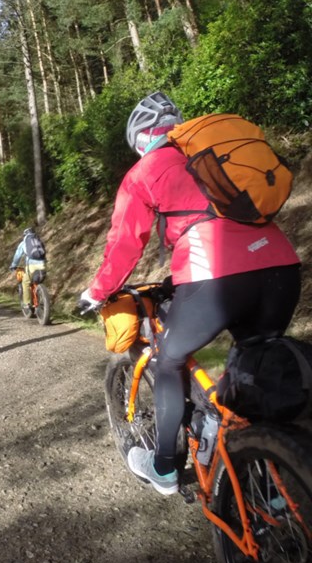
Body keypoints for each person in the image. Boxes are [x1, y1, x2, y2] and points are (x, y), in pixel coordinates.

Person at [78, 91, 301, 495]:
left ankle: (164, 468)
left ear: (140, 139)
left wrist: (97, 291)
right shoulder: (213, 156)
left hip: (216, 274)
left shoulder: (145, 171)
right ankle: (270, 473)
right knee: (255, 360)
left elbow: (125, 243)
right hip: (281, 267)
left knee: (169, 359)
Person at [9, 227, 47, 310]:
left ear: (25, 235)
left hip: (31, 266)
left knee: (25, 282)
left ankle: (27, 303)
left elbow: (17, 256)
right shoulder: (38, 241)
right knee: (38, 280)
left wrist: (13, 265)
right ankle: (42, 295)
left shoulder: (24, 243)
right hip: (42, 265)